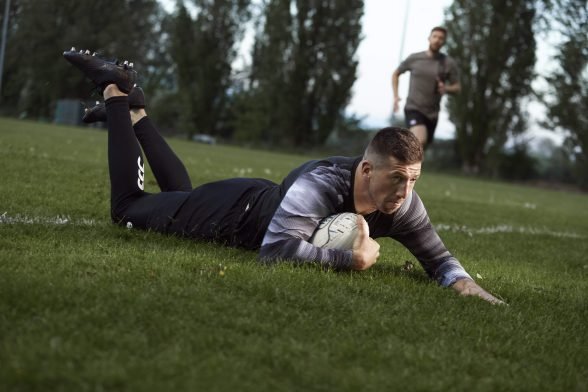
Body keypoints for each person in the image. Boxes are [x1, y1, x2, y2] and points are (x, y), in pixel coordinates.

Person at [63, 48, 504, 305]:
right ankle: (116, 93)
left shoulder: (403, 202)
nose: (406, 192)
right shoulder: (325, 183)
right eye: (398, 179)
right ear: (367, 169)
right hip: (229, 216)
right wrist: (351, 259)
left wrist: (470, 288)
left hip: (245, 200)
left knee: (180, 195)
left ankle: (138, 110)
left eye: (414, 180)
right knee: (127, 209)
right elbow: (273, 251)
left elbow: (441, 262)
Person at [392, 26, 461, 148]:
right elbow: (396, 74)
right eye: (435, 36)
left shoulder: (448, 63)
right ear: (429, 38)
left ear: (444, 42)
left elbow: (457, 87)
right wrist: (396, 96)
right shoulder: (415, 58)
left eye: (441, 38)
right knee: (420, 140)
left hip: (432, 114)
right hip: (414, 108)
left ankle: (402, 161)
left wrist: (446, 88)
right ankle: (395, 159)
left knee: (420, 151)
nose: (437, 40)